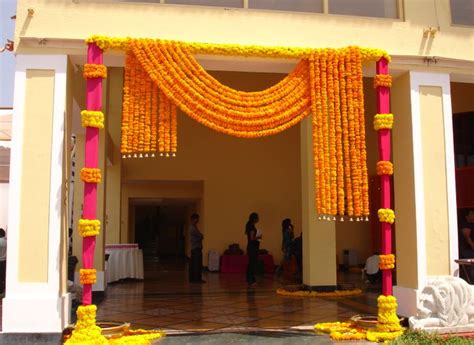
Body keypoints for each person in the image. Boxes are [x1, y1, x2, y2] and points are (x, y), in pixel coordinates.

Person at [246, 212, 261, 287]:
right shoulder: (251, 227)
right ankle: (251, 280)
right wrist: (258, 237)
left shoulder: (250, 226)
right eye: (257, 217)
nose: (258, 219)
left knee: (251, 263)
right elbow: (252, 238)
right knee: (252, 264)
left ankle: (249, 279)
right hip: (252, 248)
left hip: (251, 247)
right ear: (254, 219)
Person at [189, 213, 205, 283]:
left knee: (195, 264)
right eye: (197, 219)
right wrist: (201, 236)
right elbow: (200, 236)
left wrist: (201, 236)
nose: (198, 220)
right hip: (196, 248)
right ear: (194, 219)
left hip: (195, 248)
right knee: (197, 265)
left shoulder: (194, 227)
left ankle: (194, 279)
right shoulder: (193, 228)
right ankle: (196, 279)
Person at [458, 208, 474, 279]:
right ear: (467, 216)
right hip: (467, 251)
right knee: (471, 267)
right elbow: (468, 239)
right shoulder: (465, 225)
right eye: (472, 214)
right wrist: (472, 245)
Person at [0, 228, 6, 293]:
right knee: (4, 276)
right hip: (5, 261)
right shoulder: (7, 241)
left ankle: (1, 290)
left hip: (0, 260)